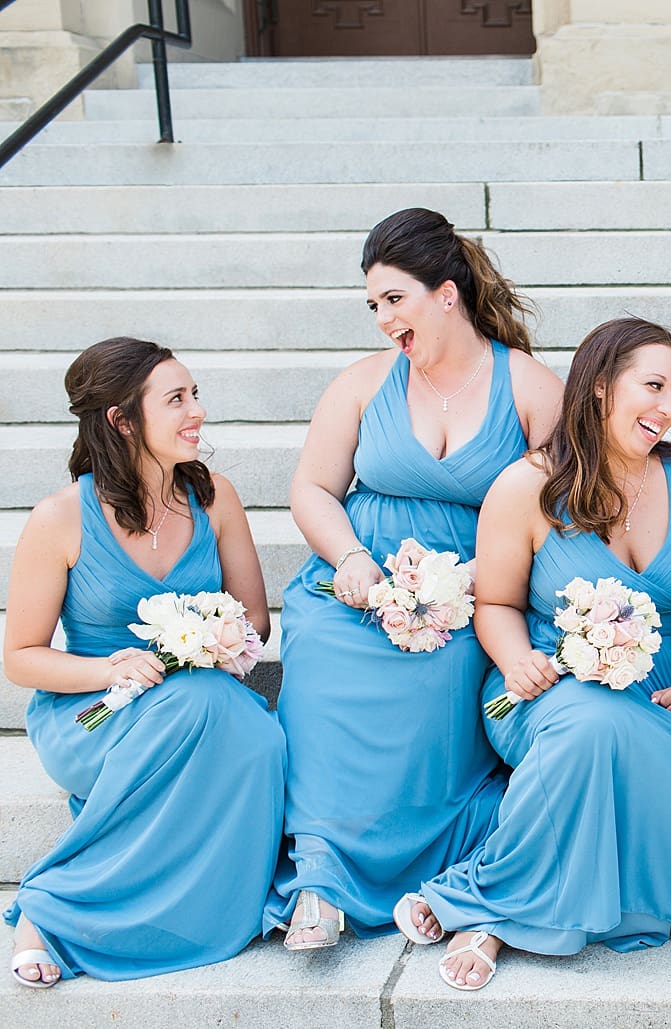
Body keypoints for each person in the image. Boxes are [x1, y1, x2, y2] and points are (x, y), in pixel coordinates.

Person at [398, 317, 671, 991]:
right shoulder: (526, 486)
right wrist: (517, 657)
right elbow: (493, 603)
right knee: (589, 723)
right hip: (546, 684)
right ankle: (487, 905)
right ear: (602, 387)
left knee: (624, 734)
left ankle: (490, 895)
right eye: (653, 386)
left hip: (667, 691)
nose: (666, 408)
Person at [267, 207, 562, 949]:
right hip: (355, 588)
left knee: (448, 671)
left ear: (446, 293)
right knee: (326, 658)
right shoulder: (364, 383)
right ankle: (319, 880)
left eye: (393, 298)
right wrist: (350, 559)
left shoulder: (526, 384)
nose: (381, 319)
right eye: (372, 304)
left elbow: (560, 510)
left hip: (470, 597)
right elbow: (311, 490)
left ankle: (442, 864)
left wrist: (484, 583)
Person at [4, 337, 285, 986]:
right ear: (122, 420)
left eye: (196, 394)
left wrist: (204, 635)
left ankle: (215, 901)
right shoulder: (60, 518)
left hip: (200, 693)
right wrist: (109, 669)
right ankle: (48, 908)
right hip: (93, 709)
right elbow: (20, 656)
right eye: (178, 398)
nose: (198, 411)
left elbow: (255, 622)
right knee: (212, 712)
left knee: (256, 733)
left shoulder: (215, 497)